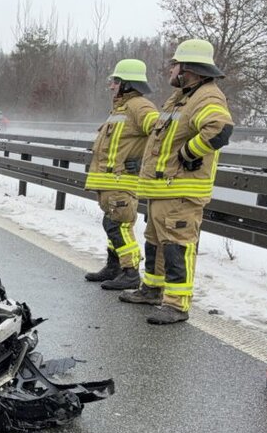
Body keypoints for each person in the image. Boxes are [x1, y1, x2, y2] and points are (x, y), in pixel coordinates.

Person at [120, 38, 234, 324]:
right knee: (156, 243)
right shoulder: (181, 97)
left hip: (181, 190)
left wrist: (189, 153)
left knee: (176, 246)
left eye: (174, 63)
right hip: (163, 189)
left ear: (188, 68)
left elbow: (220, 128)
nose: (170, 68)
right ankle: (153, 290)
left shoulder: (207, 96)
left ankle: (177, 304)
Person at [82, 58, 159, 291]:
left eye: (115, 81)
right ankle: (114, 267)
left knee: (119, 226)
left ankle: (130, 272)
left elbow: (160, 134)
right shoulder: (121, 109)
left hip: (122, 181)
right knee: (111, 223)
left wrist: (144, 161)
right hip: (110, 182)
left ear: (127, 84)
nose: (111, 86)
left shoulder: (139, 106)